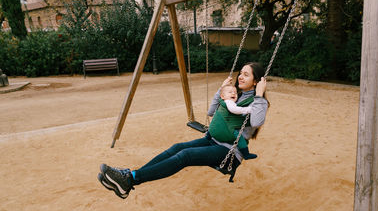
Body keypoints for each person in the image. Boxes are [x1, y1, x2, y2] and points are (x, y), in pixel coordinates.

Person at [98, 62, 269, 199]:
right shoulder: (234, 95)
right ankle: (130, 178)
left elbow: (256, 121)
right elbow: (211, 112)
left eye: (246, 74)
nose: (240, 76)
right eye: (241, 73)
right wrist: (220, 91)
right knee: (176, 148)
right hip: (212, 140)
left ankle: (129, 179)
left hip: (229, 151)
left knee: (185, 156)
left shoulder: (257, 102)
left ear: (256, 81)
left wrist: (260, 95)